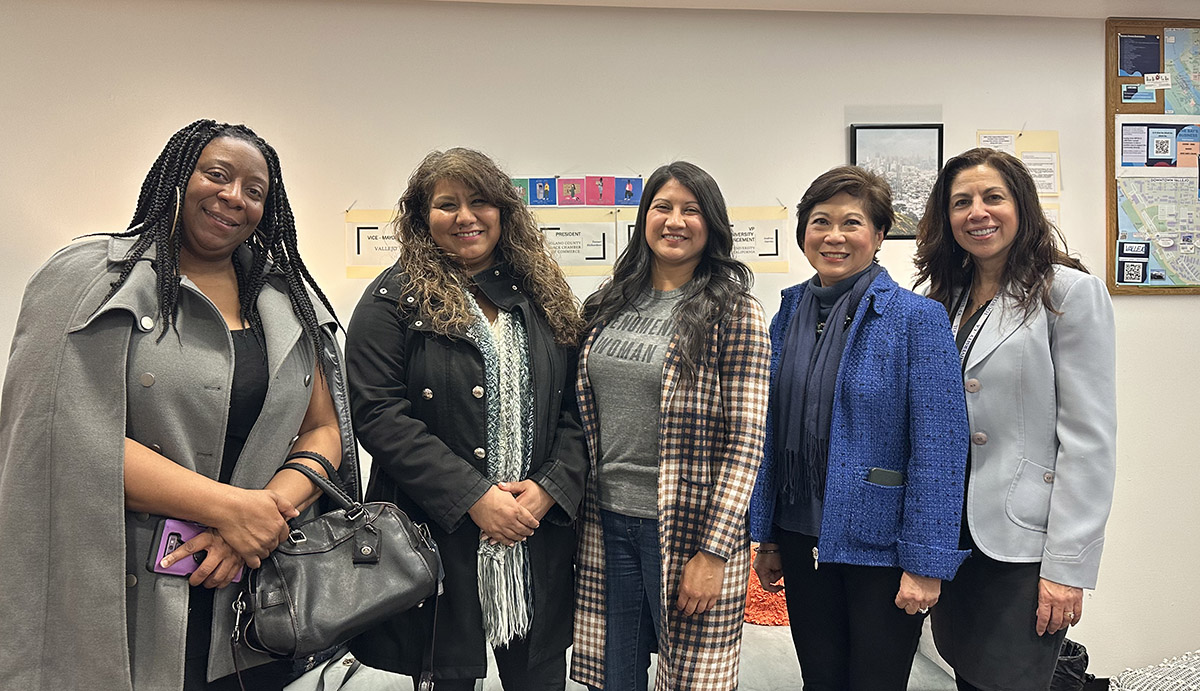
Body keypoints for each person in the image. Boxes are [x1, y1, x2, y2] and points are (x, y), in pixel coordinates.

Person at [0, 119, 358, 691]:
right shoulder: (91, 279)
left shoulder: (288, 300)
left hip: (252, 595)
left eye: (255, 190)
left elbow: (324, 429)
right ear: (176, 175)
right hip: (121, 590)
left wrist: (260, 519)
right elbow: (62, 435)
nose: (233, 197)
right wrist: (231, 511)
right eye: (217, 175)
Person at [346, 148, 589, 691]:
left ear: (504, 211)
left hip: (534, 531)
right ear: (421, 217)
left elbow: (579, 407)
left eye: (480, 201)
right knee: (448, 672)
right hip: (438, 529)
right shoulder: (393, 298)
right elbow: (378, 413)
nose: (465, 217)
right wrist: (475, 498)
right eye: (447, 204)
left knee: (540, 679)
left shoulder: (542, 294)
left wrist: (548, 489)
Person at [748, 165, 970, 691]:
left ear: (878, 234)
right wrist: (767, 535)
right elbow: (770, 429)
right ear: (804, 232)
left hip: (882, 544)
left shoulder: (917, 318)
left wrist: (925, 562)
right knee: (820, 681)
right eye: (820, 221)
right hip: (802, 536)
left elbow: (940, 448)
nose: (834, 236)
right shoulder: (788, 311)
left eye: (851, 222)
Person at [914, 148, 1117, 691]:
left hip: (1023, 546)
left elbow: (1088, 441)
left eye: (992, 197)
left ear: (1021, 206)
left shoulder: (1067, 293)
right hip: (953, 539)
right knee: (967, 676)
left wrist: (1066, 568)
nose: (977, 212)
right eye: (961, 202)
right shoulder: (945, 300)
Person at [570, 161, 770, 691]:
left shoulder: (735, 312)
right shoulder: (608, 304)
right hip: (607, 520)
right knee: (616, 676)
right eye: (663, 207)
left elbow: (747, 443)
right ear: (644, 219)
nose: (675, 220)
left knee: (690, 680)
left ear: (713, 225)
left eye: (692, 209)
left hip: (687, 527)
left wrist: (714, 552)